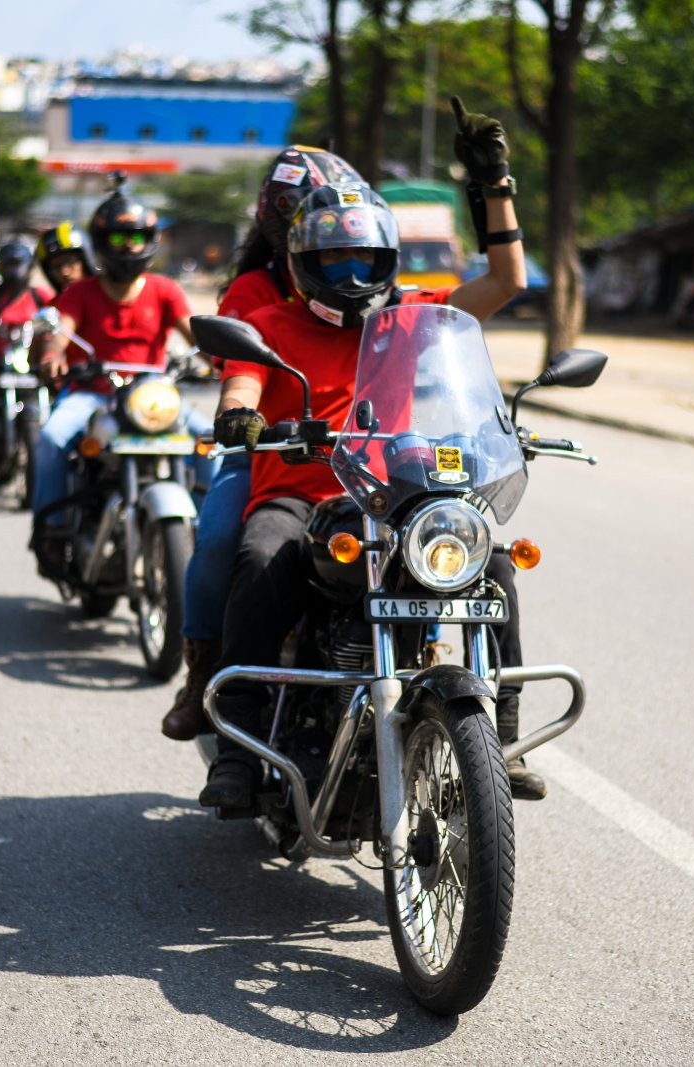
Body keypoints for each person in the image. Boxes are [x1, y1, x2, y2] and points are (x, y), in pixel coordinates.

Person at [200, 101, 545, 810]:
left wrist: (495, 183)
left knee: (494, 562)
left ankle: (501, 738)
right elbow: (240, 380)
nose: (350, 270)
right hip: (298, 494)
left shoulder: (411, 315)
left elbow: (505, 282)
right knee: (261, 556)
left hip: (395, 491)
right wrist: (238, 414)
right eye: (333, 257)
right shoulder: (267, 322)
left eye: (364, 256)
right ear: (301, 260)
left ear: (388, 258)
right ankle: (235, 748)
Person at [160, 144, 363, 741]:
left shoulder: (378, 291)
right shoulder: (256, 294)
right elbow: (237, 375)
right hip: (270, 453)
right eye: (316, 218)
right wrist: (242, 419)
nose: (338, 238)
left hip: (358, 466)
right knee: (225, 539)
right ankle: (206, 678)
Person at [29, 179, 208, 575]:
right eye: (118, 236)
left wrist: (222, 357)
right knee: (51, 437)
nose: (128, 245)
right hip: (92, 392)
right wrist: (55, 354)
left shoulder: (164, 290)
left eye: (136, 236)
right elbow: (61, 334)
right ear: (101, 240)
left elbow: (194, 334)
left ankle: (211, 531)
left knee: (214, 440)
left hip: (151, 395)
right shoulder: (80, 292)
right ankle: (53, 532)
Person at [31, 221, 92, 296]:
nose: (64, 272)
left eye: (69, 262)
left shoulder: (108, 296)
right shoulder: (55, 307)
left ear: (85, 259)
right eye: (56, 267)